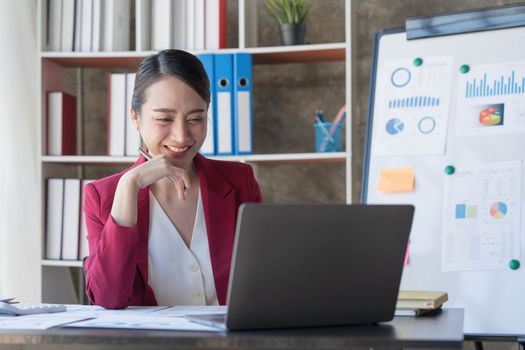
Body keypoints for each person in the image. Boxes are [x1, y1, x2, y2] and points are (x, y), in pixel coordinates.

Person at [83, 49, 262, 309]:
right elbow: (108, 299)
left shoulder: (239, 180)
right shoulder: (103, 196)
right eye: (164, 119)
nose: (181, 136)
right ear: (136, 117)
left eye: (196, 118)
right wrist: (129, 186)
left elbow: (263, 278)